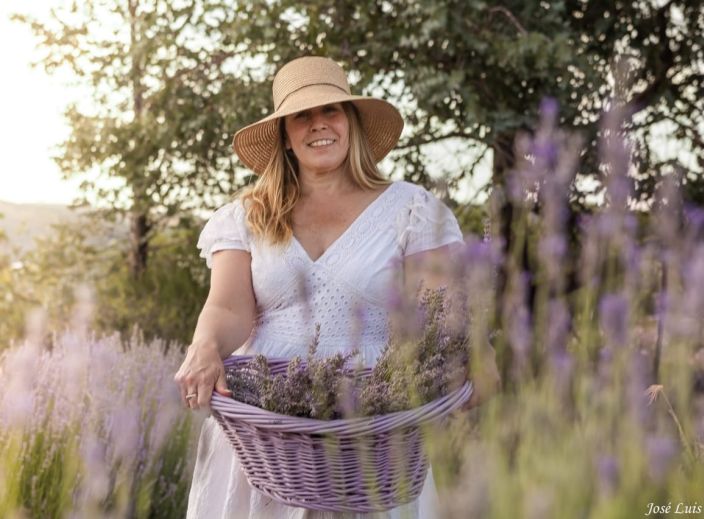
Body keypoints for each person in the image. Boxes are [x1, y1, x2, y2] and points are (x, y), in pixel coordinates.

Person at [175, 56, 500, 518]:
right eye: (302, 116)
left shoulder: (410, 209)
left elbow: (439, 310)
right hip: (267, 430)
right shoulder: (246, 217)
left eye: (331, 111)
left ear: (352, 123)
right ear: (285, 135)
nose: (318, 125)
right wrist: (205, 345)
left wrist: (474, 351)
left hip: (374, 427)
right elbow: (229, 310)